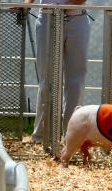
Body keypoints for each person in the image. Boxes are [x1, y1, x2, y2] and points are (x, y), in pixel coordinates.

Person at [25, 0, 91, 143]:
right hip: (48, 18)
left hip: (76, 18)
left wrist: (66, 5)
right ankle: (41, 136)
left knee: (76, 81)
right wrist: (26, 3)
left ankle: (71, 135)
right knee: (47, 80)